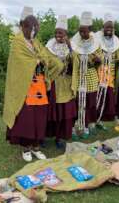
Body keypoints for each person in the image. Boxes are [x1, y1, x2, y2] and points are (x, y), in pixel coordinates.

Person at [3, 10, 64, 162]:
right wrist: (36, 60)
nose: (33, 32)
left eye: (36, 29)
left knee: (39, 116)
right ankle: (26, 148)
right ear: (23, 27)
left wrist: (45, 61)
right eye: (31, 29)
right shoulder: (17, 42)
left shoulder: (35, 42)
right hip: (25, 87)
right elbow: (20, 63)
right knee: (27, 118)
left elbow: (45, 57)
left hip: (39, 85)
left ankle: (36, 146)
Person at [45, 15, 77, 148]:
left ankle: (60, 138)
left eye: (61, 33)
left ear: (66, 34)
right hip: (53, 83)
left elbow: (76, 61)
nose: (58, 35)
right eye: (56, 32)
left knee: (64, 113)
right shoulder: (49, 45)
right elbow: (45, 61)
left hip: (66, 84)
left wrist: (70, 46)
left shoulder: (71, 46)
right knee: (51, 111)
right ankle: (45, 136)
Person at [71, 11, 102, 139]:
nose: (83, 34)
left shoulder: (96, 43)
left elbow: (99, 61)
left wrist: (97, 61)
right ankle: (78, 124)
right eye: (81, 31)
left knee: (90, 102)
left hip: (91, 76)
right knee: (79, 101)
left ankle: (89, 125)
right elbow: (73, 58)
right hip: (79, 76)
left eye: (85, 31)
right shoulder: (75, 43)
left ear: (90, 30)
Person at [95, 13, 119, 130]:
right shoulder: (96, 39)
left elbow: (115, 58)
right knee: (96, 97)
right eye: (107, 27)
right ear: (103, 27)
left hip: (109, 74)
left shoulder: (115, 42)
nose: (109, 29)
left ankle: (99, 120)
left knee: (105, 98)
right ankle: (92, 121)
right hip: (98, 72)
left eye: (111, 27)